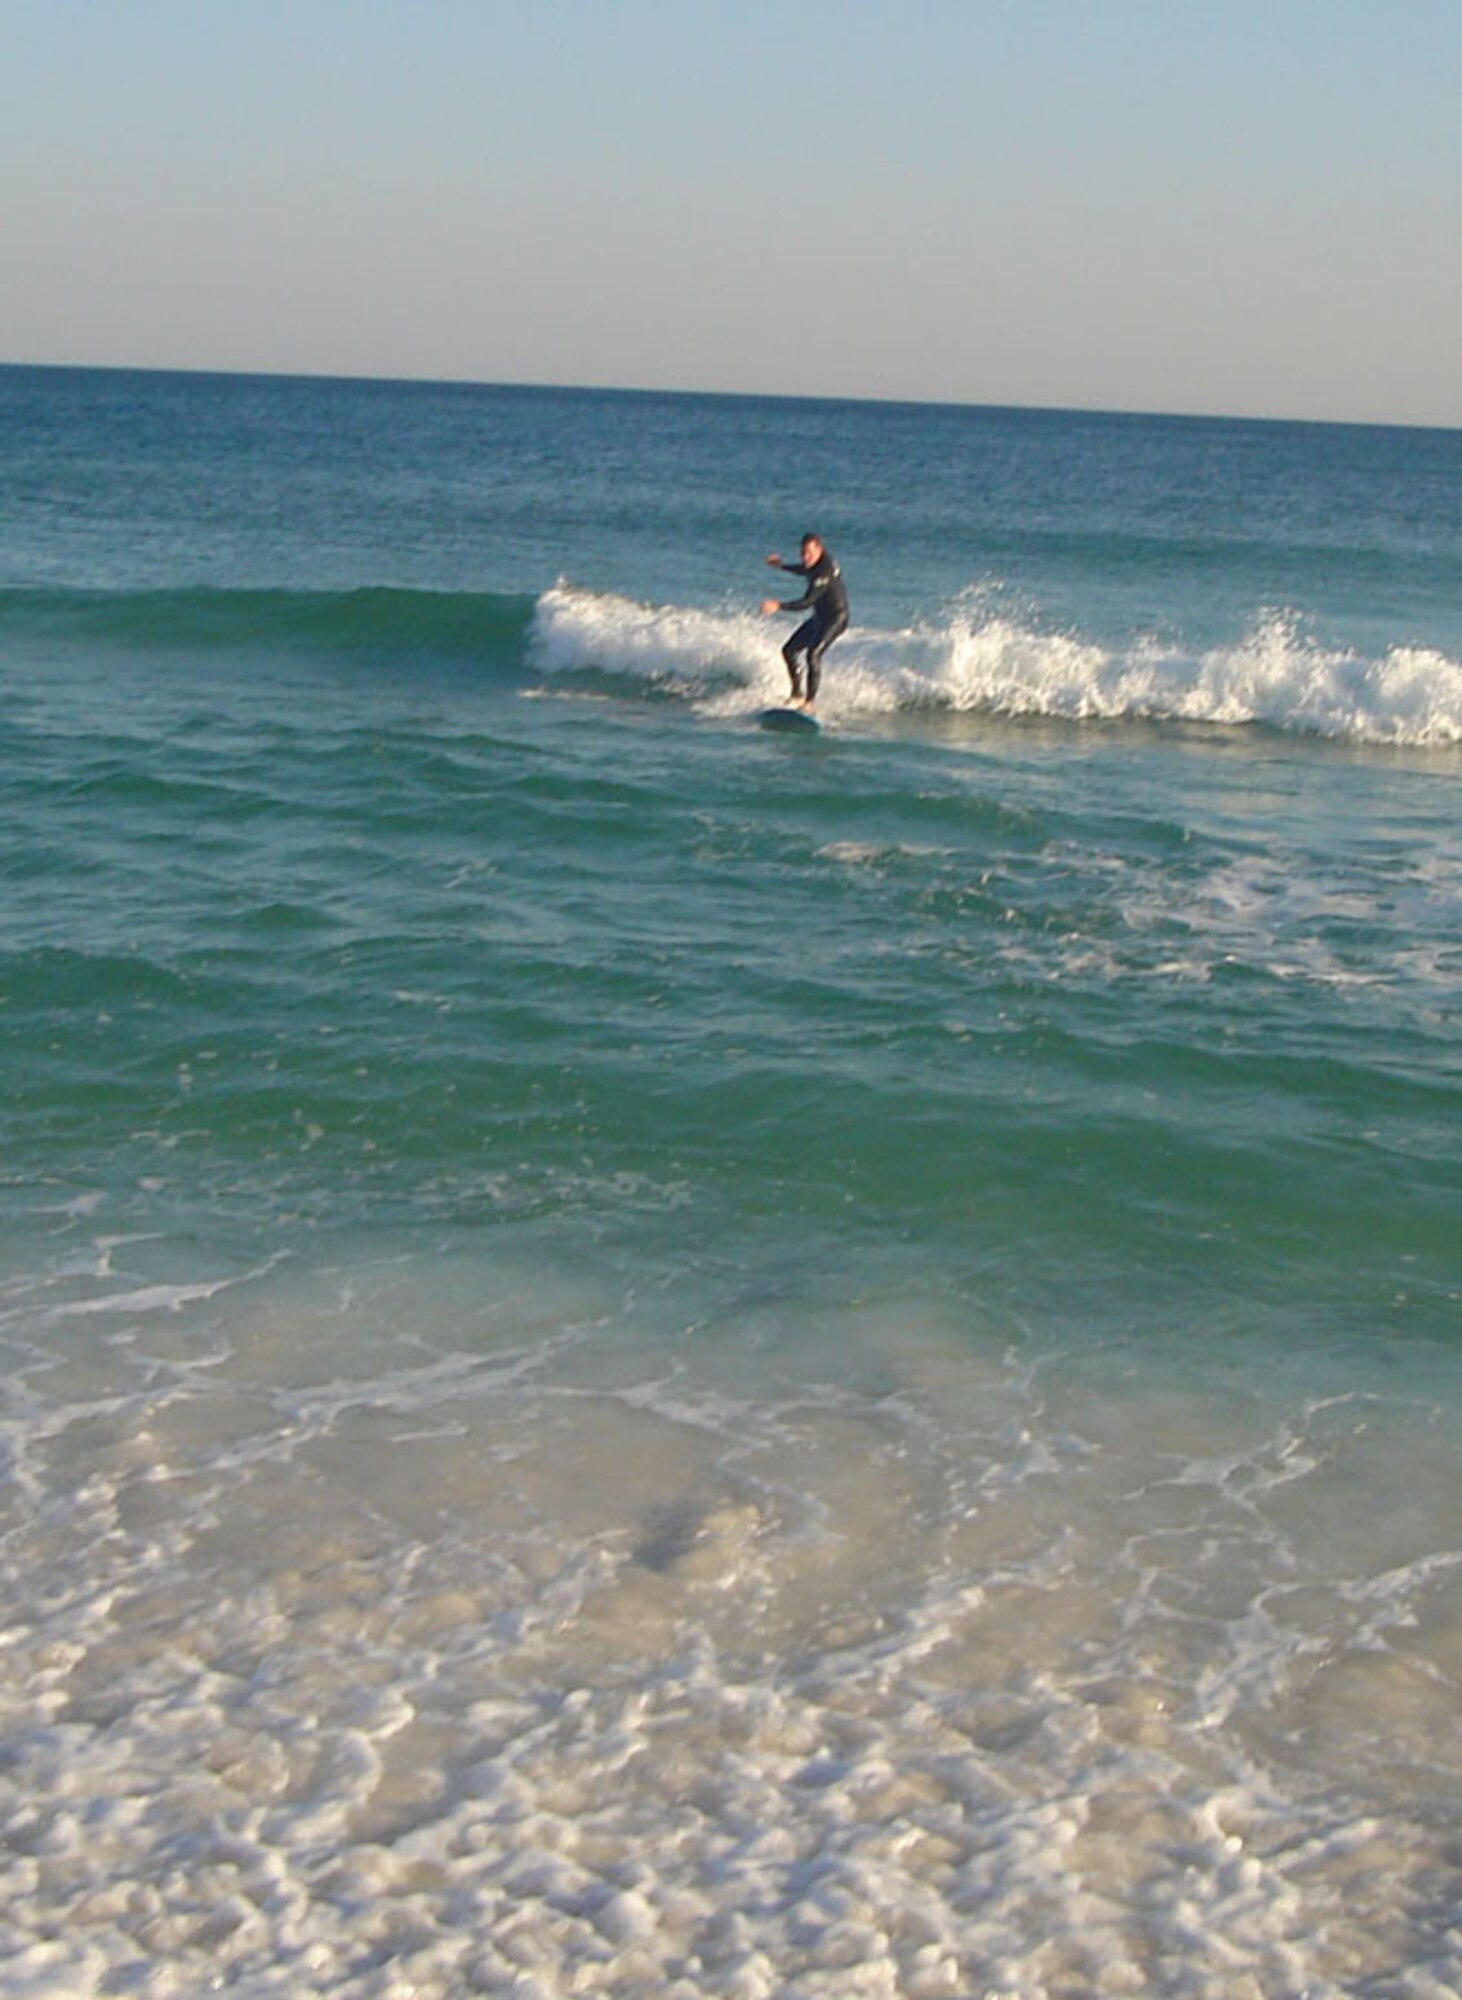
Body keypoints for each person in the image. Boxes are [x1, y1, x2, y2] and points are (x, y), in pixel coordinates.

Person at [761, 533, 848, 710]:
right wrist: (782, 566)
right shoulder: (814, 563)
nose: (805, 557)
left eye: (809, 553)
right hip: (820, 617)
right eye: (803, 553)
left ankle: (809, 702)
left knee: (813, 654)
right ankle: (797, 695)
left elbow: (806, 602)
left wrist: (779, 606)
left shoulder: (824, 570)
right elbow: (804, 569)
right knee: (789, 650)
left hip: (836, 618)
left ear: (820, 550)